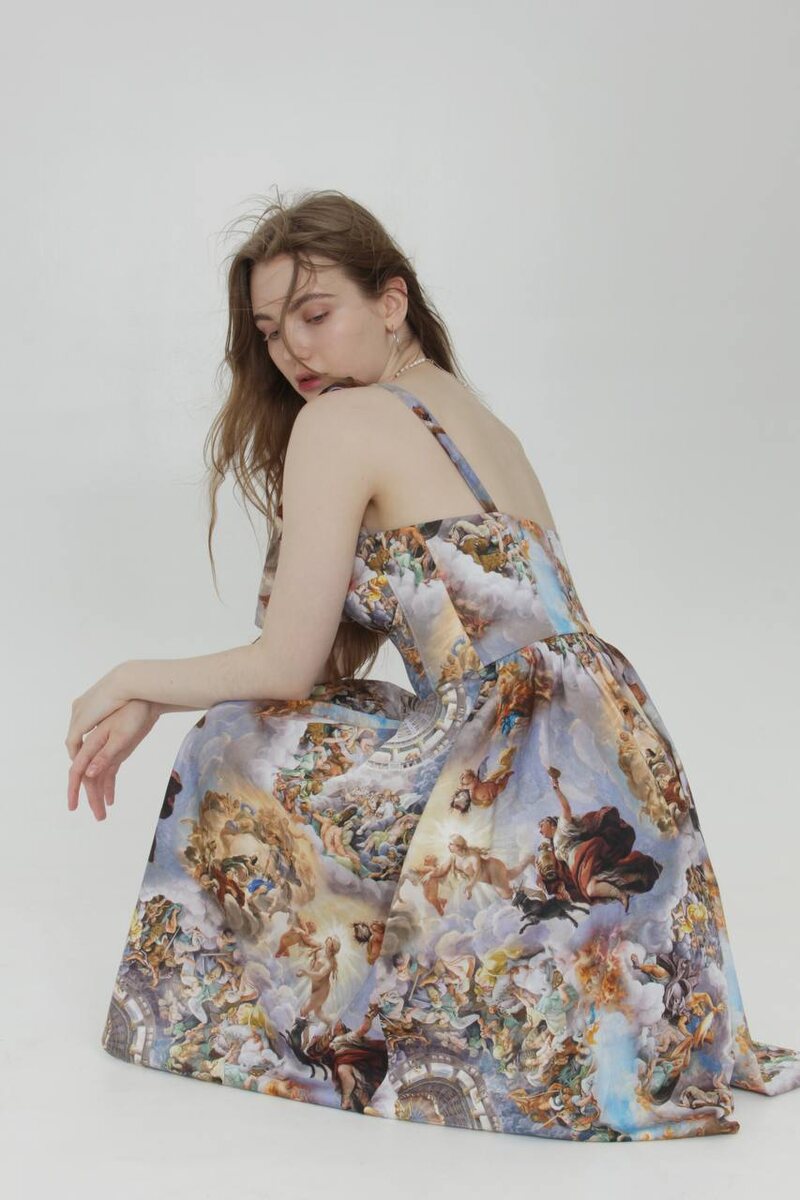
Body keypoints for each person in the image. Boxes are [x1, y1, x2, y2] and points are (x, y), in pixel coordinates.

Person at [67, 188, 800, 1142]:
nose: (293, 351)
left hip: (518, 764)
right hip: (620, 765)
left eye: (315, 314)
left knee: (228, 741)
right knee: (314, 718)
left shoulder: (343, 423)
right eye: (270, 331)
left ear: (392, 300)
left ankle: (287, 1029)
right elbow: (335, 659)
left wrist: (132, 681)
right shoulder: (473, 417)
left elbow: (285, 663)